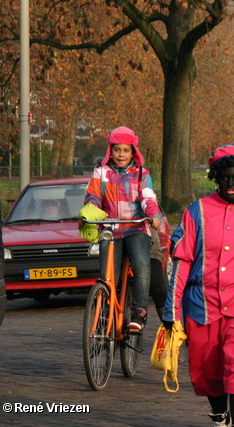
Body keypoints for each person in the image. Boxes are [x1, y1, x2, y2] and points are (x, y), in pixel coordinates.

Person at [163, 144, 234, 427]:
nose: (231, 182)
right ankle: (219, 415)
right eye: (225, 176)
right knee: (207, 373)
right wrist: (171, 311)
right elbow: (181, 262)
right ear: (215, 177)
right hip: (201, 306)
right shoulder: (196, 211)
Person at [83, 126, 162, 332]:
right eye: (117, 150)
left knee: (142, 266)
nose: (121, 154)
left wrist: (153, 215)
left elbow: (147, 197)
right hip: (110, 230)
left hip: (135, 228)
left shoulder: (141, 174)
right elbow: (92, 196)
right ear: (111, 150)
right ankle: (104, 314)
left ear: (133, 152)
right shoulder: (101, 172)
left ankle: (139, 312)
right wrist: (88, 214)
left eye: (126, 150)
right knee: (107, 276)